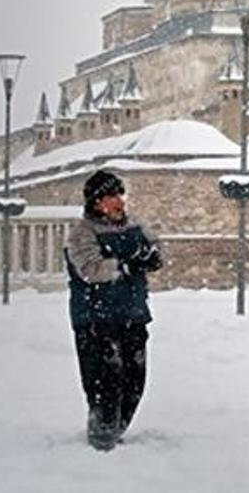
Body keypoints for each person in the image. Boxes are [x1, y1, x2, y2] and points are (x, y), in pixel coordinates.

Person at [65, 170, 163, 451]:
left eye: (120, 195)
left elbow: (153, 249)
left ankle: (116, 431)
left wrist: (151, 258)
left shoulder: (135, 227)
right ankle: (101, 438)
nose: (119, 202)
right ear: (97, 202)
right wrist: (126, 265)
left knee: (134, 379)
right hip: (95, 320)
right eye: (111, 197)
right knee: (104, 381)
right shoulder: (82, 233)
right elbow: (90, 269)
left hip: (133, 316)